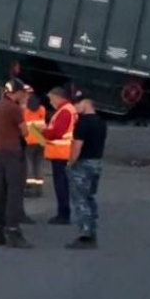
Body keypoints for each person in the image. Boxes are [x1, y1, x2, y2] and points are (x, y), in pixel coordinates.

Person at [0, 78, 33, 248]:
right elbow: (25, 130)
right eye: (23, 93)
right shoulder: (14, 109)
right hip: (13, 152)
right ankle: (13, 230)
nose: (24, 96)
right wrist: (23, 107)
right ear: (16, 93)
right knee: (15, 191)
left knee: (2, 189)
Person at [65, 88, 107, 249]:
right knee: (90, 197)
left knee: (80, 199)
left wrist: (70, 163)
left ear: (87, 102)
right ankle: (92, 230)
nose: (75, 106)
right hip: (96, 163)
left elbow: (77, 147)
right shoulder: (101, 122)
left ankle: (85, 235)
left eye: (77, 103)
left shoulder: (82, 123)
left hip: (82, 165)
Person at [42, 85, 78, 225]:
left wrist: (43, 133)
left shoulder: (64, 111)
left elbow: (57, 132)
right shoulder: (68, 110)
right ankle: (63, 213)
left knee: (61, 185)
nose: (50, 102)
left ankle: (63, 214)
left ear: (58, 97)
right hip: (64, 152)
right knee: (63, 184)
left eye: (51, 99)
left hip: (60, 153)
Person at [22, 85, 46, 198]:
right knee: (38, 165)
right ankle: (39, 189)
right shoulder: (42, 109)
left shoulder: (24, 110)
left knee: (29, 165)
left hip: (29, 141)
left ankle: (30, 189)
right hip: (40, 140)